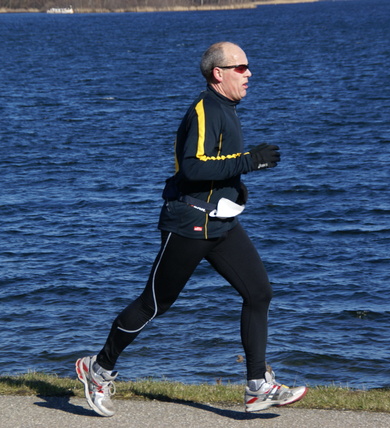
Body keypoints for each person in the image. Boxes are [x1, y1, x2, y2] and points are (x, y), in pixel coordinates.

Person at [75, 41, 307, 417]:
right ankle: (98, 369)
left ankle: (256, 387)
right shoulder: (204, 110)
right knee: (155, 304)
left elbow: (219, 166)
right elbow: (194, 168)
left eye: (248, 67)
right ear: (219, 73)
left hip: (221, 224)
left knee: (259, 292)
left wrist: (241, 180)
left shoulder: (227, 109)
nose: (249, 73)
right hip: (189, 223)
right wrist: (249, 161)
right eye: (241, 67)